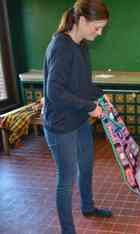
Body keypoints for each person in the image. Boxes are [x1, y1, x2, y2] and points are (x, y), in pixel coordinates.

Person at [42, 1, 112, 233]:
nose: (100, 32)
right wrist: (90, 106)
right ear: (82, 21)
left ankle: (88, 207)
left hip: (78, 118)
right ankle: (68, 230)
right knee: (66, 178)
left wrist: (101, 96)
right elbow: (54, 92)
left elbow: (81, 84)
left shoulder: (81, 45)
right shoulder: (60, 47)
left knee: (87, 165)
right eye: (97, 27)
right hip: (60, 124)